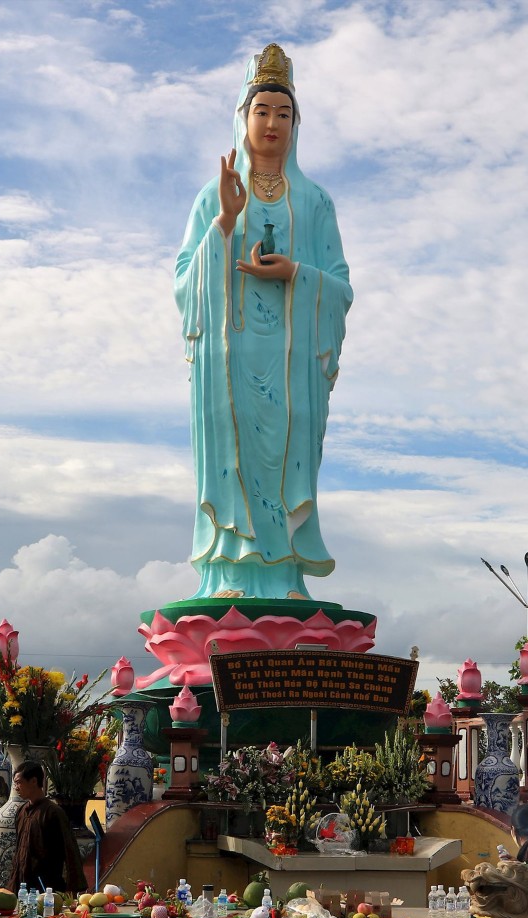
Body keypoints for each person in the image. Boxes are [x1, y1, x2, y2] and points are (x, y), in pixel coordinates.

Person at [175, 42, 353, 600]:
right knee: (233, 454)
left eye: (283, 112)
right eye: (262, 111)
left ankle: (285, 575)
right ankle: (230, 570)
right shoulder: (215, 194)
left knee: (287, 456)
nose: (272, 122)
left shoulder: (316, 201)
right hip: (232, 353)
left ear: (296, 125)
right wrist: (225, 223)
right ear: (243, 118)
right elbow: (184, 280)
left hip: (293, 361)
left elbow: (342, 286)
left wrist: (296, 273)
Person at [5, 760, 86, 894]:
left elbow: (70, 850)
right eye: (15, 783)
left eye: (19, 782)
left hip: (46, 888)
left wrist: (75, 888)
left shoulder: (53, 812)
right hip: (22, 887)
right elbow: (19, 851)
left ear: (33, 781)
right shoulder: (21, 811)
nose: (16, 787)